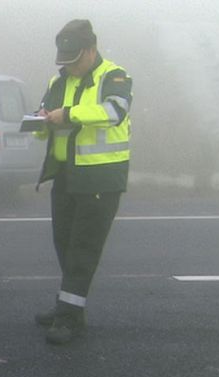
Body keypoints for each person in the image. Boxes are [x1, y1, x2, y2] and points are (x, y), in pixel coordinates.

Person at [33, 19, 133, 345]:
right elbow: (47, 118)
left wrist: (70, 114)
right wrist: (39, 122)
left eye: (74, 59)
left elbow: (114, 111)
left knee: (82, 250)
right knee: (64, 243)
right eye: (64, 60)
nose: (69, 67)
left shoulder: (115, 76)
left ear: (90, 50)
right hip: (66, 174)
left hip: (100, 176)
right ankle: (69, 307)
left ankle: (69, 319)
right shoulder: (58, 80)